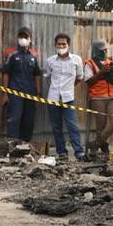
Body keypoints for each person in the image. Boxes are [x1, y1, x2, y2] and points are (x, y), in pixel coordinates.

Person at [42, 33, 84, 161]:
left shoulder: (76, 60)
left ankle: (79, 152)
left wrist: (69, 87)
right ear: (55, 45)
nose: (61, 46)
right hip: (53, 98)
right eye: (59, 44)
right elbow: (48, 77)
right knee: (56, 127)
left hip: (68, 98)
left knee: (72, 126)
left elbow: (79, 77)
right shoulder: (50, 61)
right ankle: (62, 152)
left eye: (64, 44)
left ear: (68, 45)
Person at [1, 27, 42, 145]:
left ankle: (24, 149)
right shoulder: (11, 54)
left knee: (28, 122)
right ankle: (12, 147)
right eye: (21, 37)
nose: (23, 39)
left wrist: (38, 94)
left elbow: (37, 74)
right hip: (15, 94)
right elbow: (5, 73)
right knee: (14, 120)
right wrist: (4, 94)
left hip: (30, 94)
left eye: (26, 37)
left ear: (30, 40)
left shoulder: (33, 55)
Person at [83, 40, 113, 160]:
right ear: (96, 51)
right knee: (100, 127)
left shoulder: (111, 61)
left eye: (106, 50)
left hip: (112, 97)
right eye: (102, 50)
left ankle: (95, 144)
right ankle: (102, 153)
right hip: (97, 97)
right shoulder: (89, 63)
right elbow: (88, 81)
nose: (105, 52)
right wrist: (101, 72)